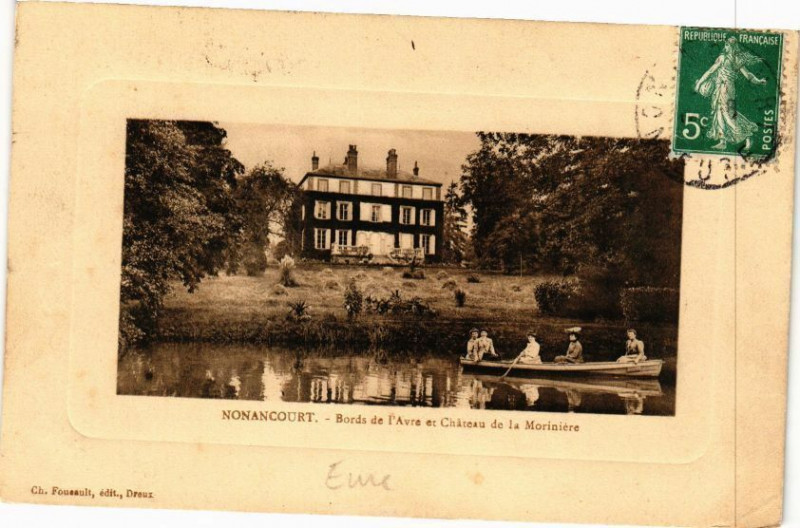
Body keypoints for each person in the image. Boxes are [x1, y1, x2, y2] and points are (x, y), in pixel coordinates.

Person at [694, 36, 767, 151]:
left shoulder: (722, 58)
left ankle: (747, 135)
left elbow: (710, 71)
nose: (725, 47)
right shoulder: (738, 60)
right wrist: (758, 81)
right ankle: (723, 141)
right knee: (721, 112)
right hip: (728, 88)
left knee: (727, 114)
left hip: (724, 88)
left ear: (730, 46)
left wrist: (699, 84)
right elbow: (748, 75)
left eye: (727, 45)